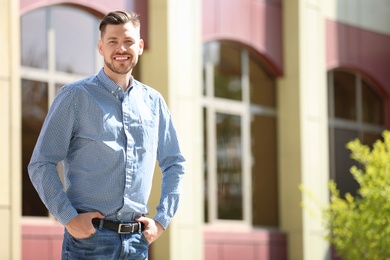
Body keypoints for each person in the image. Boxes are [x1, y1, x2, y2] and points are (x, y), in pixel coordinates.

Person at [28, 10, 185, 259]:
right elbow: (41, 162)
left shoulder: (154, 103)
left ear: (140, 46)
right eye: (112, 41)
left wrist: (162, 219)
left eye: (128, 41)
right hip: (89, 242)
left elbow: (175, 163)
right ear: (101, 47)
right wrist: (68, 217)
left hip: (137, 243)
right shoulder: (75, 97)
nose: (120, 48)